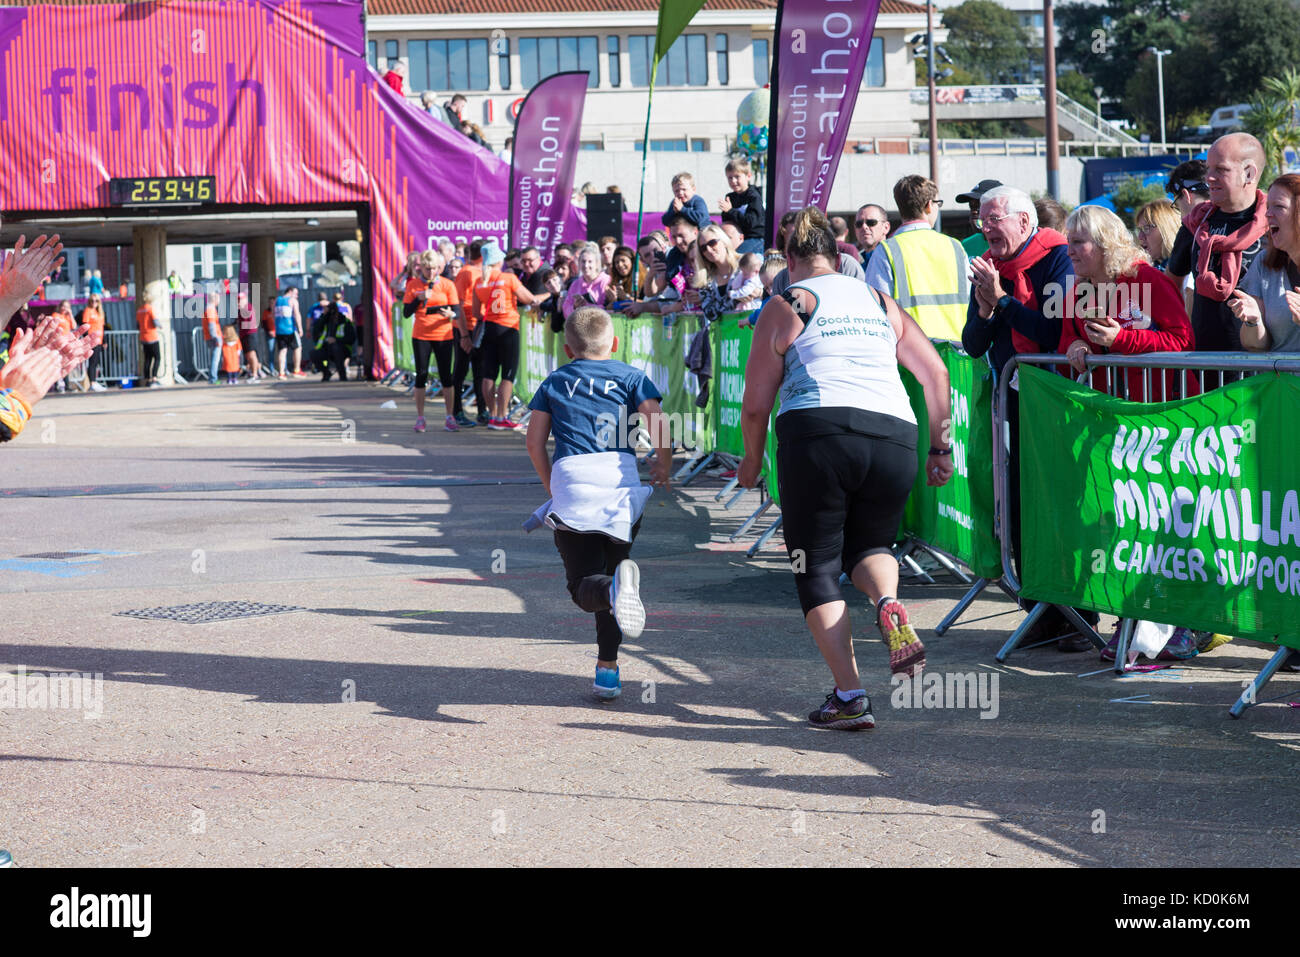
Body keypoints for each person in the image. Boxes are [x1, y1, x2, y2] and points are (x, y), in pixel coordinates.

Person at [737, 207, 953, 730]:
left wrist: (749, 461)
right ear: (840, 258)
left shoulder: (785, 302)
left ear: (789, 261)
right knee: (871, 547)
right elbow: (936, 373)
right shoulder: (880, 301)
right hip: (894, 434)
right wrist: (940, 449)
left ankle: (851, 694)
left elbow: (755, 403)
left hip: (818, 431)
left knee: (814, 567)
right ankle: (887, 601)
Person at [524, 306, 671, 699]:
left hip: (574, 479)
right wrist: (664, 463)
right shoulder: (631, 376)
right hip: (620, 483)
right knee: (615, 579)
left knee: (585, 586)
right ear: (615, 343)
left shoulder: (556, 380)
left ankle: (609, 655)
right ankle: (607, 669)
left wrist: (550, 484)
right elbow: (656, 418)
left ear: (567, 350)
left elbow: (534, 441)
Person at [962, 185, 1081, 651]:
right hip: (1011, 401)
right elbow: (973, 342)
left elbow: (1053, 331)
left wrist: (1003, 302)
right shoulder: (993, 270)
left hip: (1055, 403)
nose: (985, 228)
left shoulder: (1057, 258)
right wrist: (989, 306)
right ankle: (1038, 609)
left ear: (1025, 223)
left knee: (1054, 505)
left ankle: (1076, 613)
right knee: (1016, 506)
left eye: (994, 219)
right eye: (982, 221)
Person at [1060, 205, 1195, 402]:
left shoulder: (1147, 280)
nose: (1069, 252)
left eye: (1078, 242)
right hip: (1110, 417)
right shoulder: (1077, 294)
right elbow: (1065, 343)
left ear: (1105, 243)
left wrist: (1122, 339)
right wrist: (1073, 346)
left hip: (1166, 413)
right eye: (1068, 243)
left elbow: (1184, 341)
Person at [1167, 133, 1269, 385]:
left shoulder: (1276, 224)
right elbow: (1171, 286)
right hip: (1201, 368)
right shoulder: (1194, 224)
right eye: (1209, 168)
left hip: (1261, 373)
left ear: (1249, 173)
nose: (1208, 177)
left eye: (1220, 169)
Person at [865, 174, 970, 342]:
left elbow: (876, 310)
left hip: (910, 356)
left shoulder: (887, 250)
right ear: (929, 206)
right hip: (959, 355)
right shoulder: (955, 247)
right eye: (938, 204)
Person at [473, 240, 541, 430]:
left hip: (489, 328)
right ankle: (502, 417)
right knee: (507, 375)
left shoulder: (480, 281)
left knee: (488, 375)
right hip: (508, 328)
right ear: (499, 260)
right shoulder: (508, 278)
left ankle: (493, 415)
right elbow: (528, 298)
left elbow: (477, 312)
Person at [1229, 173, 1300, 354]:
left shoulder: (1147, 282)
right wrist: (1254, 320)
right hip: (1278, 381)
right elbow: (1255, 345)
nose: (1268, 213)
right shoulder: (1263, 262)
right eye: (1268, 206)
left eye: (1279, 206)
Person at [405, 250, 466, 432]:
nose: (431, 272)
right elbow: (407, 312)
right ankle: (420, 417)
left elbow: (456, 310)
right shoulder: (414, 285)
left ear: (439, 268)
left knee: (446, 376)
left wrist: (451, 314)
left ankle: (450, 416)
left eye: (434, 269)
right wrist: (418, 299)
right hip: (421, 335)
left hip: (443, 334)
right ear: (421, 267)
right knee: (421, 374)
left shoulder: (447, 284)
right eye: (427, 268)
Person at [454, 240, 487, 426]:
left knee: (480, 371)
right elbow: (457, 303)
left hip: (480, 327)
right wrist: (464, 334)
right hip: (465, 328)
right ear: (482, 255)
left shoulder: (484, 272)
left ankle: (482, 411)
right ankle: (456, 411)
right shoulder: (466, 272)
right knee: (460, 370)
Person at [719, 158, 765, 254]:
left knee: (737, 257)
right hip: (737, 237)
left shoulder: (754, 197)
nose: (733, 181)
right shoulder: (730, 197)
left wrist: (730, 210)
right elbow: (728, 222)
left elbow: (751, 222)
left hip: (755, 238)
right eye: (730, 178)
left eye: (737, 177)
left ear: (748, 176)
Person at [313, 297, 358, 383]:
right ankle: (326, 373)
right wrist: (323, 316)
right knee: (314, 354)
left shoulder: (344, 321)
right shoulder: (325, 321)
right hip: (327, 347)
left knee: (336, 349)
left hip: (343, 348)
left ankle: (342, 375)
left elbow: (351, 338)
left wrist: (336, 340)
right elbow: (316, 330)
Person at [562, 244, 612, 320]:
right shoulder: (575, 284)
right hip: (580, 328)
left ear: (597, 264)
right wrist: (575, 307)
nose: (586, 265)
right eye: (583, 261)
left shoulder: (606, 281)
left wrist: (586, 307)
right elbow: (565, 309)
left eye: (590, 262)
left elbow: (609, 307)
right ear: (579, 263)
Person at [955, 178, 1003, 259]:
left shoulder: (1008, 244)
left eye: (979, 206)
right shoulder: (966, 244)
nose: (974, 212)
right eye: (972, 207)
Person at [272, 286, 305, 379]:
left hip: (279, 330)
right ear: (290, 291)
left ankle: (281, 373)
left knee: (282, 351)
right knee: (297, 348)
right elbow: (297, 314)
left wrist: (276, 326)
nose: (297, 296)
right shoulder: (292, 301)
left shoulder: (277, 300)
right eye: (296, 293)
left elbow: (273, 314)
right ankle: (297, 370)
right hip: (290, 329)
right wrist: (300, 328)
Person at [79, 294, 107, 391]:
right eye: (92, 300)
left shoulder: (99, 312)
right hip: (92, 340)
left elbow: (102, 327)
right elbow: (85, 325)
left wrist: (104, 341)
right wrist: (87, 339)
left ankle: (94, 381)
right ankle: (92, 383)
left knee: (95, 362)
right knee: (92, 362)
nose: (94, 303)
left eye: (96, 301)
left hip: (99, 340)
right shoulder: (88, 311)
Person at [136, 291, 163, 388]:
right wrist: (161, 326)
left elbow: (138, 325)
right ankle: (154, 378)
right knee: (157, 358)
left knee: (147, 359)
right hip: (152, 337)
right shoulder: (150, 309)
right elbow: (155, 322)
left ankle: (147, 379)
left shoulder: (139, 310)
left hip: (143, 337)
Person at [204, 293, 223, 385]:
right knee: (215, 359)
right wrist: (216, 338)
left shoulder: (208, 309)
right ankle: (213, 378)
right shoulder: (211, 310)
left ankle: (212, 377)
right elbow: (212, 325)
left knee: (213, 358)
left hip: (209, 337)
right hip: (214, 337)